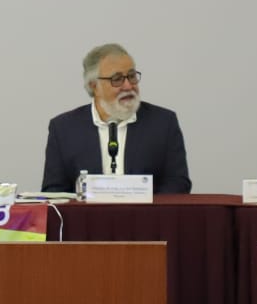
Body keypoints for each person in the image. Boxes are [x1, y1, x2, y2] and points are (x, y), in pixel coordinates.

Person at [42, 43, 191, 194]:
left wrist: (144, 204)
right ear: (94, 86)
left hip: (147, 210)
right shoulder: (63, 129)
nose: (128, 86)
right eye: (117, 79)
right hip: (87, 210)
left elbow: (178, 183)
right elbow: (53, 191)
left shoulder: (163, 123)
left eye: (131, 76)